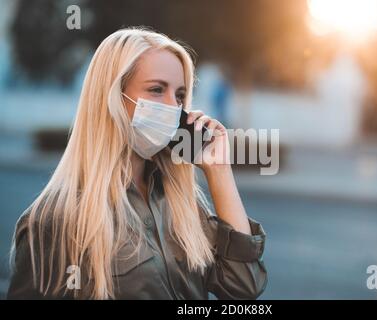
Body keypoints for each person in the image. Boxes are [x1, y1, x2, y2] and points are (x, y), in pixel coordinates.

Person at [7, 27, 267, 299]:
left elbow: (243, 289)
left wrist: (219, 170)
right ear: (113, 97)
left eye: (179, 95)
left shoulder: (181, 202)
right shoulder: (54, 219)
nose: (173, 107)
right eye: (157, 90)